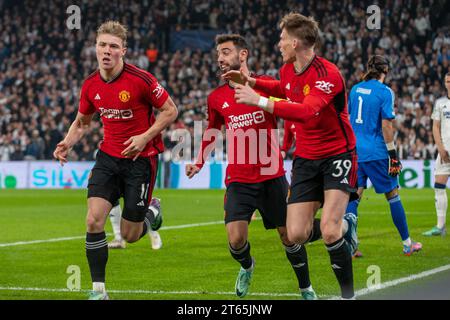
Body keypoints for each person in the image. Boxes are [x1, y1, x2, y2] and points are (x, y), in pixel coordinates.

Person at [223, 13, 359, 299]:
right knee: (297, 234)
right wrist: (251, 80)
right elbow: (282, 88)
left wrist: (257, 99)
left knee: (330, 231)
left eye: (283, 38)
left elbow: (307, 111)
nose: (278, 43)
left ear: (295, 42)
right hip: (306, 159)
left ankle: (348, 295)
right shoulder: (288, 70)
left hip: (337, 155)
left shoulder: (328, 74)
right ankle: (349, 223)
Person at [186, 34, 322, 300]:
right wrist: (199, 161)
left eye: (226, 52)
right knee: (235, 240)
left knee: (290, 237)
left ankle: (306, 287)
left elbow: (290, 110)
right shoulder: (216, 98)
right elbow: (213, 130)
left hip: (272, 176)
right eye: (218, 54)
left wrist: (288, 145)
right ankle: (247, 266)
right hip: (239, 178)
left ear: (243, 55)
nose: (220, 59)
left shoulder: (266, 86)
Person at [53, 21, 178, 300]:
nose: (106, 51)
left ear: (123, 50)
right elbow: (83, 122)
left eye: (112, 46)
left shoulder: (141, 80)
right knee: (93, 220)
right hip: (108, 158)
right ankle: (99, 291)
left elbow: (170, 111)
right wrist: (67, 142)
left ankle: (153, 213)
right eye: (102, 45)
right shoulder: (90, 84)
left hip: (140, 161)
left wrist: (145, 137)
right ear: (95, 48)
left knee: (130, 235)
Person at [345, 55, 423, 256]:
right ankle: (407, 243)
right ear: (385, 71)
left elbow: (349, 118)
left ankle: (350, 247)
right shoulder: (385, 92)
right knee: (393, 195)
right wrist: (393, 154)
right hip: (377, 152)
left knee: (354, 196)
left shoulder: (354, 89)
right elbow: (386, 125)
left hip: (355, 152)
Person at [423, 72, 450, 236]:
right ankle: (440, 227)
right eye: (447, 80)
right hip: (445, 151)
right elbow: (435, 127)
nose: (449, 83)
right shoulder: (440, 103)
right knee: (439, 186)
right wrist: (440, 148)